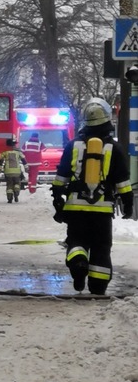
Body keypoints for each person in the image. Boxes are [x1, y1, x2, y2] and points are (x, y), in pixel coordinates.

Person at [51, 97, 133, 295]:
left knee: (76, 241)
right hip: (102, 211)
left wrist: (58, 201)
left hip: (75, 208)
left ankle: (79, 264)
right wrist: (128, 205)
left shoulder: (73, 146)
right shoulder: (115, 149)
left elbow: (60, 178)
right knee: (101, 248)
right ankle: (97, 287)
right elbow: (123, 183)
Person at [0, 137, 28, 203]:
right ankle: (16, 191)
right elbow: (24, 161)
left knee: (9, 184)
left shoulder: (4, 152)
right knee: (17, 183)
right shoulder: (18, 152)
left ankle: (9, 198)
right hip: (17, 171)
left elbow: (1, 162)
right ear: (14, 145)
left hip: (8, 172)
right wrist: (26, 168)